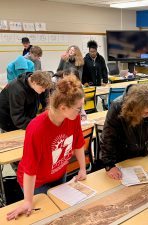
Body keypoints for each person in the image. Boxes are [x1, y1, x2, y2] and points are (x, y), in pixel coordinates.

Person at [6, 75, 87, 221]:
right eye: (79, 108)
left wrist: (82, 168)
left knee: (64, 214)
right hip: (37, 182)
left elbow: (78, 143)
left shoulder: (72, 118)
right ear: (63, 107)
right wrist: (28, 201)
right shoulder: (37, 128)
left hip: (58, 174)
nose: (81, 112)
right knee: (48, 217)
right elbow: (30, 170)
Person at [99, 84, 148, 179]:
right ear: (135, 108)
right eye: (146, 112)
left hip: (144, 153)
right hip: (121, 156)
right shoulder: (117, 106)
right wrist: (109, 165)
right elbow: (108, 137)